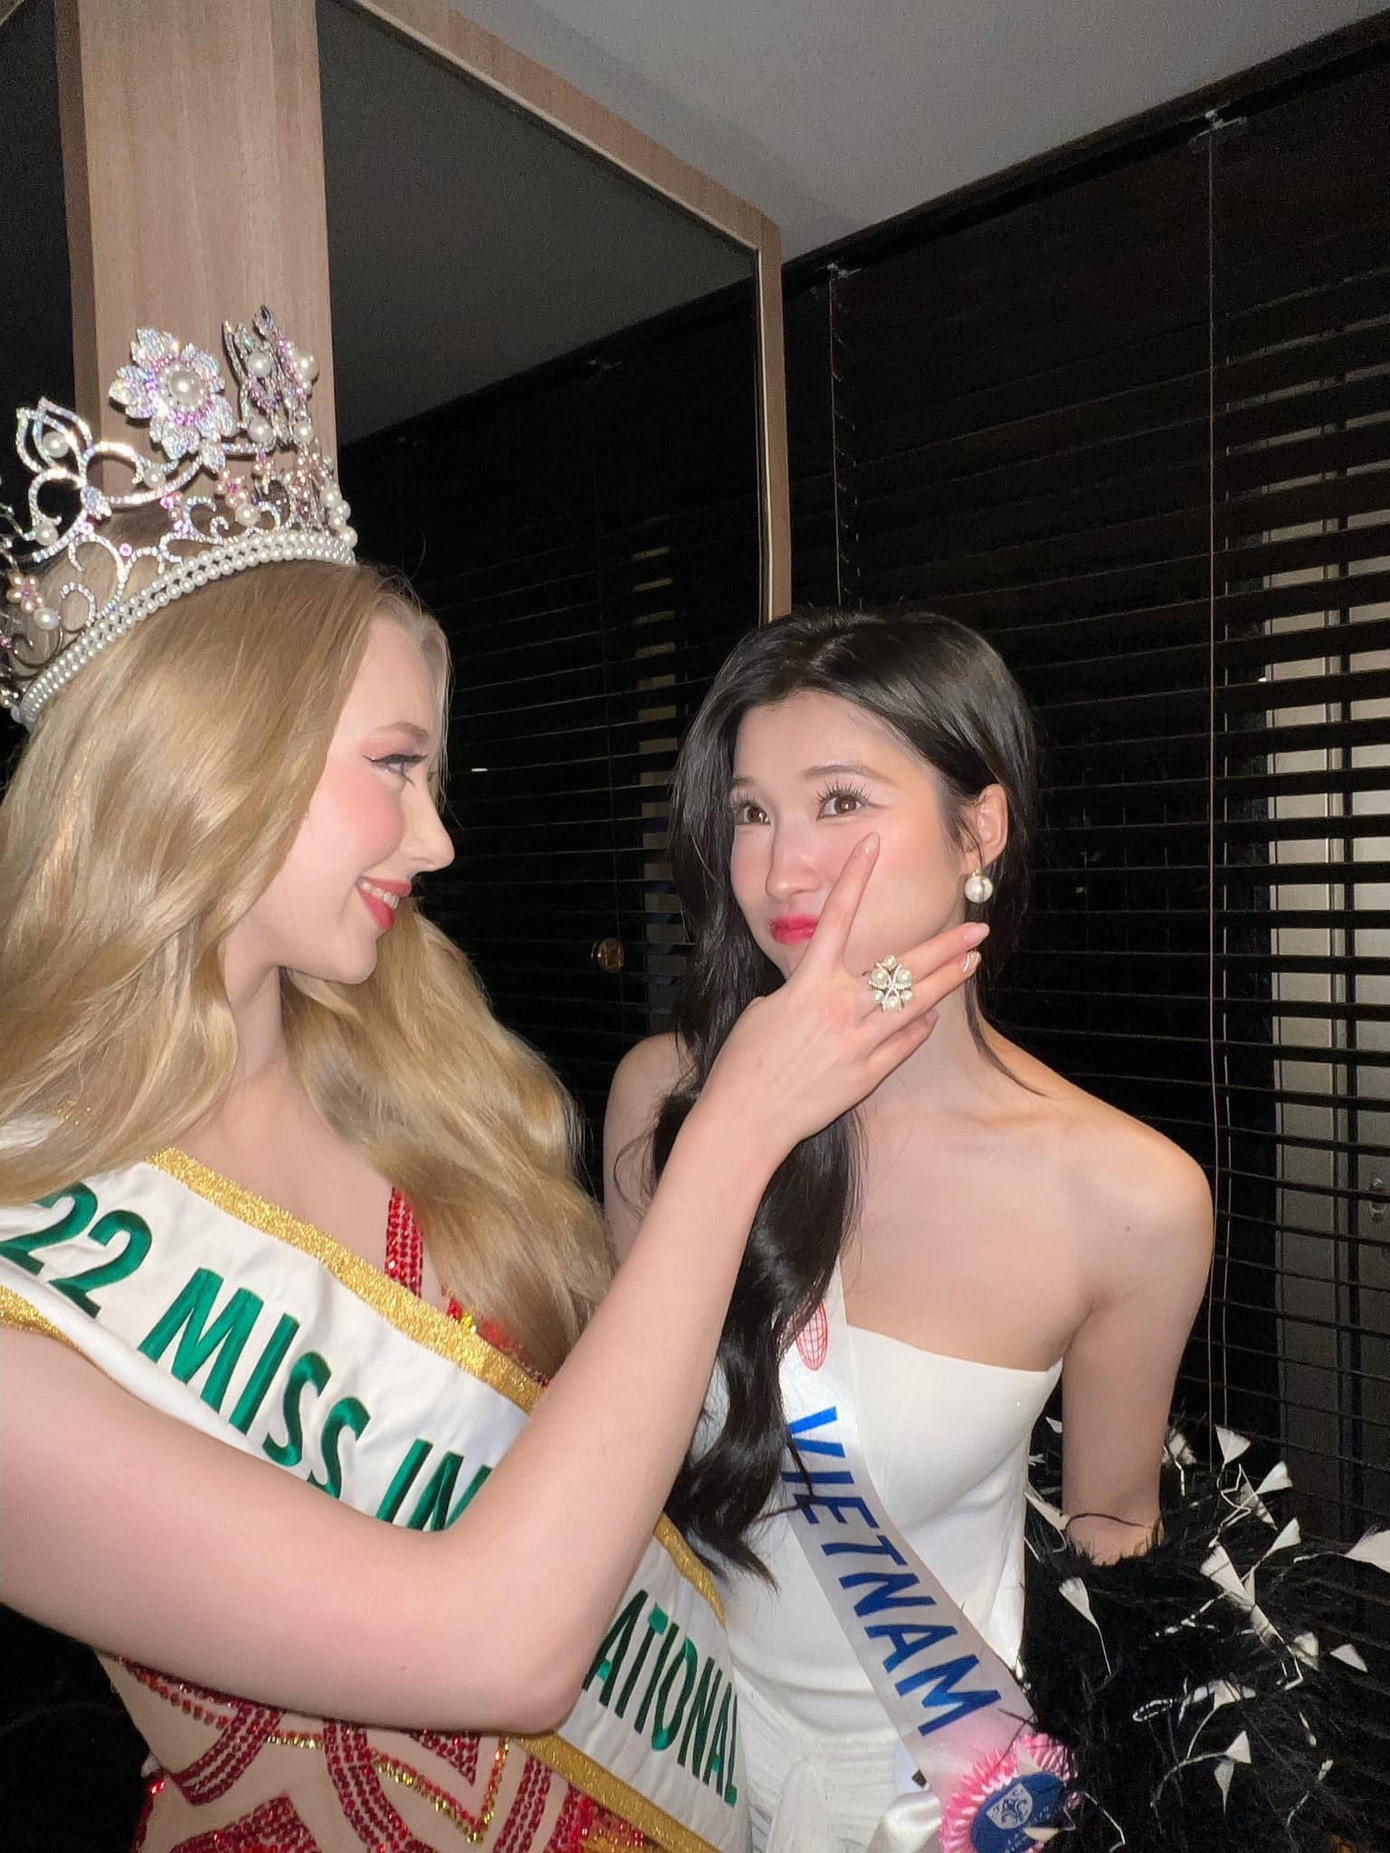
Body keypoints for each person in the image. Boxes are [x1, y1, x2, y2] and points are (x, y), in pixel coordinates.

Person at [0, 322, 988, 1853]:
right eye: (394, 766)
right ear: (214, 757)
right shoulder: (31, 1259)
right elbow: (500, 1649)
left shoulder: (411, 1073)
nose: (437, 838)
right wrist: (732, 1134)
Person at [604, 607, 1216, 1852]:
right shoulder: (665, 1099)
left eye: (839, 801)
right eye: (751, 810)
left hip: (926, 1786)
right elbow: (624, 1436)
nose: (781, 869)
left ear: (978, 828)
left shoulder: (1127, 1194)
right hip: (657, 1732)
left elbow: (1110, 1529)